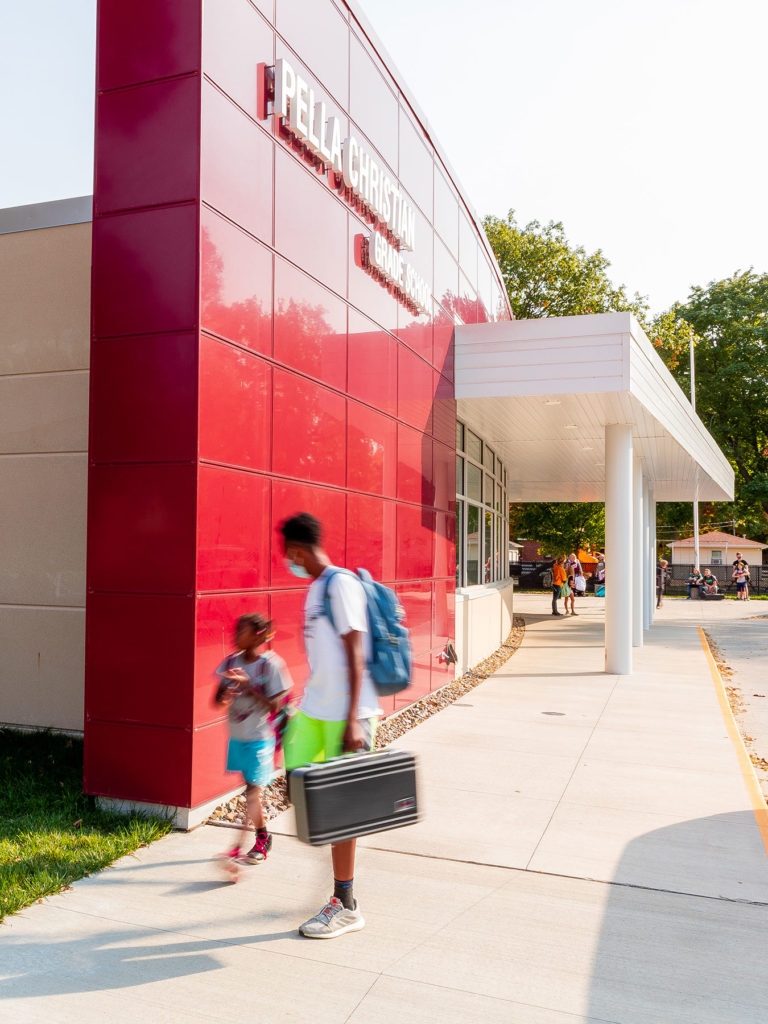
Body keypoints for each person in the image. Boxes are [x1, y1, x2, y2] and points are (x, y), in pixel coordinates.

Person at [280, 512, 382, 939]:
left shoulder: (340, 585)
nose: (288, 562)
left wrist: (353, 720)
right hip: (317, 711)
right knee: (299, 782)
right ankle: (340, 882)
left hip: (346, 717)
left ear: (299, 551)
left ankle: (346, 903)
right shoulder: (317, 588)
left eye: (288, 555)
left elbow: (355, 654)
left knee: (343, 811)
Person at [214, 613, 292, 876]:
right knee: (251, 794)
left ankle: (242, 847)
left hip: (261, 739)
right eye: (236, 630)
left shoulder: (270, 665)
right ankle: (263, 835)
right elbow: (218, 701)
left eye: (241, 631)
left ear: (257, 635)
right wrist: (227, 694)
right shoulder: (231, 662)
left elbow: (275, 705)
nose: (236, 635)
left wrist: (248, 687)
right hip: (239, 738)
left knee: (251, 793)